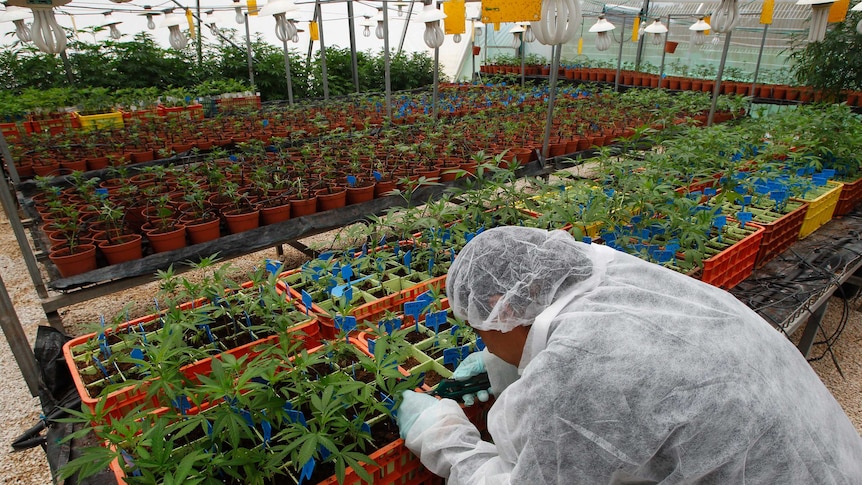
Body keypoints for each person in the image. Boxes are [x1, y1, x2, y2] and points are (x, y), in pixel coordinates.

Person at [395, 226, 862, 484]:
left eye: (482, 331)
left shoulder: (580, 370)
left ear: (509, 310)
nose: (483, 342)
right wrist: (500, 367)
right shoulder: (611, 275)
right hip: (828, 456)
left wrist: (446, 440)